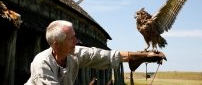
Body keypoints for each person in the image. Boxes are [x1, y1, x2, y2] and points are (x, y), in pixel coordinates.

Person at [25, 20, 166, 85]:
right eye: (71, 38)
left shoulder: (73, 53)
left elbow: (102, 56)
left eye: (75, 36)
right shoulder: (42, 64)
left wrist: (144, 56)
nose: (77, 41)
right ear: (57, 44)